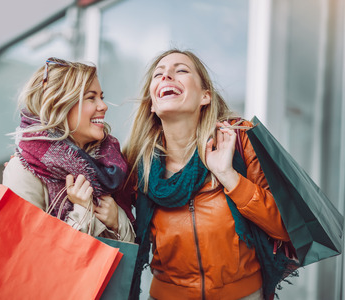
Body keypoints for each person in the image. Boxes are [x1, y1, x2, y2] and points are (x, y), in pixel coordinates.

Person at [123, 49, 296, 300]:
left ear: (205, 96)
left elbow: (286, 227)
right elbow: (124, 234)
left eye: (180, 70)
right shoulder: (137, 163)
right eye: (158, 74)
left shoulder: (240, 139)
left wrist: (229, 176)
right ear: (153, 103)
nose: (167, 76)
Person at [3, 57, 135, 242]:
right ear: (61, 104)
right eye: (91, 97)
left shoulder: (109, 168)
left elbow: (130, 256)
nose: (103, 106)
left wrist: (117, 220)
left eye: (101, 97)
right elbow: (29, 251)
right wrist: (82, 211)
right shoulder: (23, 171)